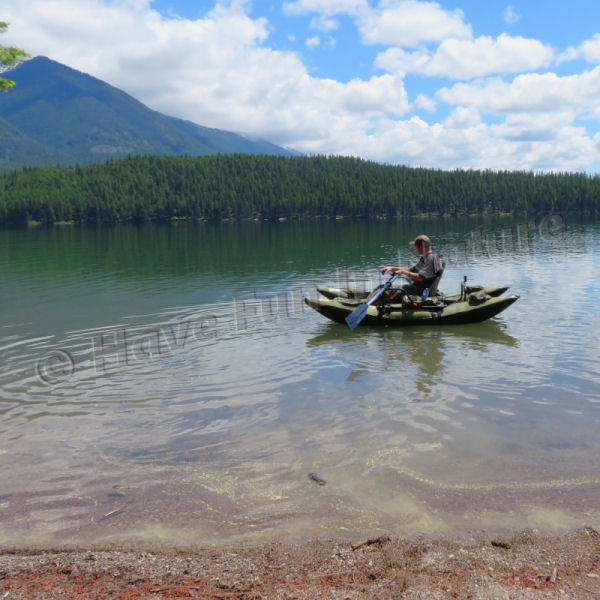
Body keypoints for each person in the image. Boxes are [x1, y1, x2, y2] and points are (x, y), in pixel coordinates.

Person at [380, 234, 441, 299]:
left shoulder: (430, 259)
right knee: (387, 287)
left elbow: (420, 278)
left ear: (420, 247)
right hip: (417, 288)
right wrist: (392, 268)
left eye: (416, 246)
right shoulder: (427, 257)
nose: (416, 248)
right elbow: (411, 270)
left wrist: (403, 272)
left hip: (421, 292)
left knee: (389, 292)